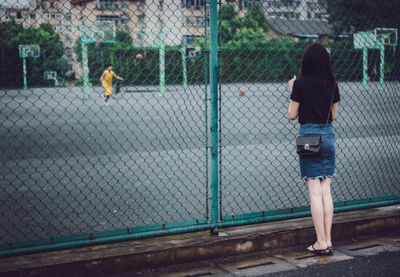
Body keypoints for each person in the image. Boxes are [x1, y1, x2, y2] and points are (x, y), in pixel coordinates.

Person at [288, 43, 340, 256]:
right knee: (326, 189)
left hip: (308, 134)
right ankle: (327, 240)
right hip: (327, 134)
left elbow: (292, 114)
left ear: (306, 62)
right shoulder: (332, 84)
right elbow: (334, 115)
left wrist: (292, 90)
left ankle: (320, 242)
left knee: (314, 190)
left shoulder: (299, 84)